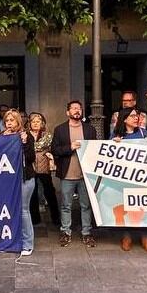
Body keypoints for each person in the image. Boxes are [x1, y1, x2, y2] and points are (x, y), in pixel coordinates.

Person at [52, 100, 98, 248]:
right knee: (66, 205)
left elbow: (96, 149)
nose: (77, 110)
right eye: (74, 108)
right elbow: (55, 150)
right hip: (67, 174)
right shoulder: (60, 130)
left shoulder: (90, 129)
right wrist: (70, 147)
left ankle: (86, 233)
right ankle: (66, 232)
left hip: (85, 175)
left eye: (79, 108)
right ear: (68, 112)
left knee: (86, 205)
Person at [112, 108, 147, 252]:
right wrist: (114, 143)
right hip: (124, 178)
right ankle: (127, 236)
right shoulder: (116, 135)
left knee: (143, 207)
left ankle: (146, 236)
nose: (136, 118)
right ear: (124, 119)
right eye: (132, 116)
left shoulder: (144, 133)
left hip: (142, 178)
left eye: (136, 115)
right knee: (126, 206)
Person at [0, 109, 35, 255]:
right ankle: (9, 242)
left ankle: (27, 244)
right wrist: (1, 141)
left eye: (12, 120)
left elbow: (31, 157)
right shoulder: (2, 136)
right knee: (8, 211)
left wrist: (25, 142)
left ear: (18, 121)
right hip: (7, 180)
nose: (9, 123)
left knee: (23, 210)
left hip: (24, 178)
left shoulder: (27, 136)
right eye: (7, 121)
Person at [27, 112, 61, 229]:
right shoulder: (26, 135)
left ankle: (56, 217)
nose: (36, 124)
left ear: (42, 124)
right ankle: (35, 218)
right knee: (33, 193)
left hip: (43, 166)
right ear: (30, 124)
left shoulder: (47, 135)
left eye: (38, 122)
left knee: (49, 191)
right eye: (33, 122)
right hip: (30, 166)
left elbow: (44, 146)